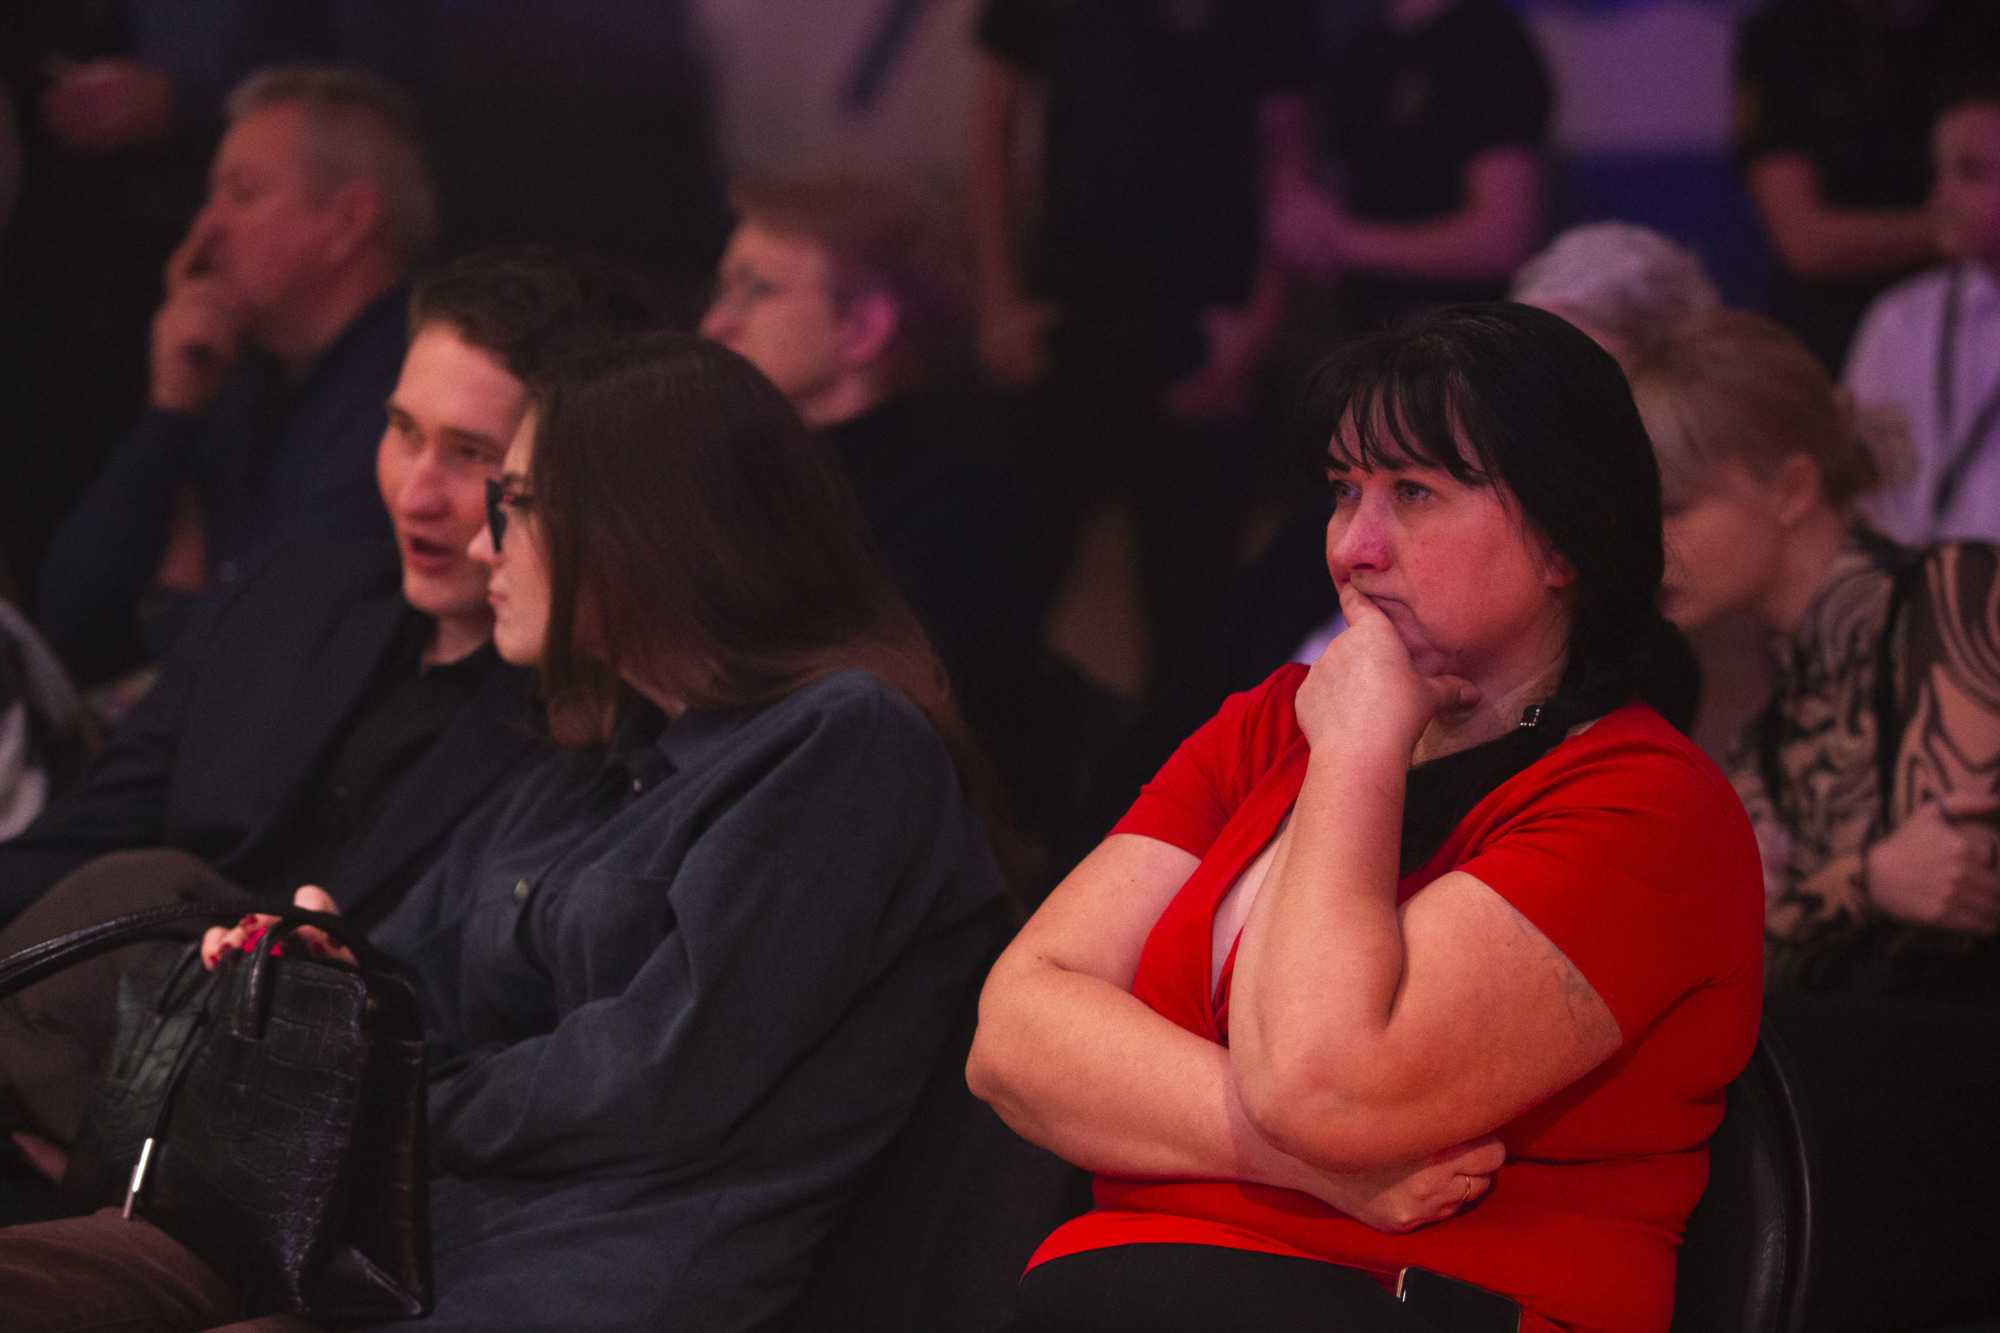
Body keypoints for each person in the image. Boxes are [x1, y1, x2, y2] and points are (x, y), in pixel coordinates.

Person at [0, 330, 1013, 1332]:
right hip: (349, 1236)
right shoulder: (590, 755)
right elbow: (410, 976)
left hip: (550, 1278)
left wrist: (391, 1092)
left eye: (515, 505)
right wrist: (325, 973)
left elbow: (651, 1077)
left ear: (640, 529)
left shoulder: (844, 744)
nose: (487, 544)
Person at [969, 304, 1764, 1333]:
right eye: (1345, 491)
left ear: (1565, 538)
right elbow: (1015, 1035)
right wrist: (1304, 1164)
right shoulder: (1269, 725)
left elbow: (1324, 1084)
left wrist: (1355, 750)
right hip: (1144, 1289)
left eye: (1414, 493)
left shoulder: (1645, 804)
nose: (1354, 547)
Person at [0, 248, 661, 1202]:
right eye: (402, 430)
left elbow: (478, 1038)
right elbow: (75, 840)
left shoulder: (597, 730)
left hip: (294, 1167)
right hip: (66, 1063)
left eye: (473, 455)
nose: (417, 491)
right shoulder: (292, 593)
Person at [1631, 308, 2000, 999]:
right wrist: (1870, 879)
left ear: (1792, 489)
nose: (1648, 546)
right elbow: (1705, 967)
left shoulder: (1953, 591)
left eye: (1674, 507)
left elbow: (1948, 910)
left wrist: (1818, 897)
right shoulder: (1768, 738)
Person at [35, 64, 434, 684]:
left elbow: (274, 642)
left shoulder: (414, 395)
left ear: (349, 223)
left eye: (242, 195)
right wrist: (171, 410)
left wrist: (165, 604)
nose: (204, 227)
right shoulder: (240, 372)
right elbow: (68, 622)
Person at [965, 0, 1316, 681]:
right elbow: (991, 130)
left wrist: (1256, 332)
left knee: (1193, 622)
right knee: (1001, 596)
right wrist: (1001, 302)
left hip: (1203, 325)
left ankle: (1179, 754)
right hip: (1063, 320)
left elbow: (1289, 154)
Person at [698, 172, 1042, 794]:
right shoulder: (720, 475)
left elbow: (864, 733)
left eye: (756, 291)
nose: (716, 323)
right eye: (723, 289)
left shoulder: (957, 514)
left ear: (864, 329)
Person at [1733, 0, 2000, 371]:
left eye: (1969, 171)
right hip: (1831, 331)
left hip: (1972, 305)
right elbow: (1806, 241)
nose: (1942, 193)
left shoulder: (1979, 25)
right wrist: (1967, 225)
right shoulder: (1787, 36)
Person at [1267, 0, 1551, 334]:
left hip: (1461, 335)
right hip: (1364, 328)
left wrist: (1343, 242)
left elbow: (1502, 239)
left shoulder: (1490, 43)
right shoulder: (1361, 47)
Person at [1845, 77, 2000, 546]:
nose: (1940, 197)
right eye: (1939, 172)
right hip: (1917, 575)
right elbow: (1860, 483)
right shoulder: (1902, 318)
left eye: (1971, 172)